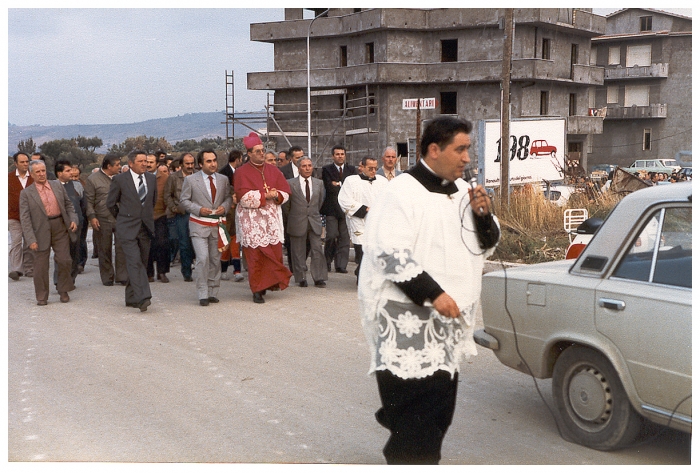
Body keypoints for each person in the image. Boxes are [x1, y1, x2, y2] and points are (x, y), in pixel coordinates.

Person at [358, 116, 500, 464]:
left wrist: (483, 215)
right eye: (461, 149)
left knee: (438, 417)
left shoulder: (464, 192)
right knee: (412, 424)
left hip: (447, 325)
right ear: (434, 150)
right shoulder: (401, 191)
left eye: (469, 149)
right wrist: (435, 294)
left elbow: (485, 245)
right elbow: (389, 252)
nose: (467, 158)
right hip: (408, 323)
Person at [234, 132, 292, 303]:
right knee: (256, 256)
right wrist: (264, 195)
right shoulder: (240, 172)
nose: (261, 153)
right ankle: (257, 289)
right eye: (257, 151)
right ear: (249, 154)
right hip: (252, 221)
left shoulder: (274, 170)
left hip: (272, 220)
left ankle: (269, 283)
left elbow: (286, 192)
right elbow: (243, 197)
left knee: (273, 253)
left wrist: (277, 195)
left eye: (262, 150)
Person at [19, 160, 78, 305]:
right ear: (32, 174)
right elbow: (25, 219)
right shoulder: (26, 193)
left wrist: (73, 219)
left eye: (43, 171)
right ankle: (41, 296)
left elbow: (68, 205)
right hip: (39, 230)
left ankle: (63, 290)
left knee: (65, 260)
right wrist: (30, 239)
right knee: (40, 266)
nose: (41, 174)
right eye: (37, 172)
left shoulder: (57, 185)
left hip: (60, 226)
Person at [106, 149, 157, 312]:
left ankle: (130, 297)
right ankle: (143, 297)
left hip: (145, 227)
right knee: (134, 261)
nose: (145, 164)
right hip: (127, 228)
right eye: (141, 161)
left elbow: (152, 201)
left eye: (146, 161)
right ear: (131, 163)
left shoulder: (151, 178)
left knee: (140, 262)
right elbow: (110, 203)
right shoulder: (120, 180)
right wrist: (123, 217)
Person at [180, 149, 232, 306]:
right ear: (200, 164)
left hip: (217, 225)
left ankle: (213, 290)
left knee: (215, 259)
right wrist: (198, 209)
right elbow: (184, 200)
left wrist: (225, 206)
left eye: (214, 160)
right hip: (199, 224)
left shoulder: (223, 179)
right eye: (208, 161)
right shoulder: (191, 180)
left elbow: (229, 197)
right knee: (203, 258)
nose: (213, 164)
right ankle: (202, 292)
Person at [338, 156, 388, 281]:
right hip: (359, 221)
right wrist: (364, 209)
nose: (373, 171)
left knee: (375, 250)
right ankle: (362, 277)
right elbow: (344, 200)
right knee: (362, 250)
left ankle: (364, 273)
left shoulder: (382, 181)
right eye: (370, 168)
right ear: (362, 167)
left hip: (376, 222)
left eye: (375, 168)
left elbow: (388, 199)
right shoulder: (351, 181)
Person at [284, 156, 327, 288]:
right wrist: (294, 216)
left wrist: (312, 214)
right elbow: (286, 206)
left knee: (317, 250)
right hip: (297, 220)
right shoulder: (290, 183)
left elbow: (320, 202)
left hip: (314, 220)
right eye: (304, 166)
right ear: (298, 168)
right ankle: (301, 277)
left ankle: (319, 277)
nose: (307, 168)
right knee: (298, 251)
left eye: (309, 165)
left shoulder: (319, 183)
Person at [85, 154, 127, 286]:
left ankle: (122, 276)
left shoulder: (121, 178)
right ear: (109, 166)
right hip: (102, 219)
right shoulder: (93, 179)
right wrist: (92, 217)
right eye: (117, 165)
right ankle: (107, 276)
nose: (120, 167)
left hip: (121, 218)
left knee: (122, 248)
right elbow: (89, 201)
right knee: (104, 249)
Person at [320, 145, 356, 273]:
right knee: (331, 236)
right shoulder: (326, 170)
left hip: (346, 210)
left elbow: (352, 188)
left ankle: (341, 265)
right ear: (332, 156)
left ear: (345, 155)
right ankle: (327, 261)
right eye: (337, 154)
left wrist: (338, 184)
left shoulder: (352, 170)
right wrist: (342, 184)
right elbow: (330, 188)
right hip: (331, 209)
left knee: (344, 239)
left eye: (342, 154)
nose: (340, 156)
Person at [163, 152, 196, 282]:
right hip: (182, 214)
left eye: (192, 163)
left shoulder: (199, 176)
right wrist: (174, 208)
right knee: (184, 243)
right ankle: (186, 271)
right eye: (187, 164)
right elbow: (167, 195)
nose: (190, 166)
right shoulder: (173, 178)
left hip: (198, 212)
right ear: (181, 164)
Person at [54, 160, 86, 284]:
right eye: (67, 171)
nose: (70, 173)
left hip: (76, 224)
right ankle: (59, 280)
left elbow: (83, 204)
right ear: (59, 173)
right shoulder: (52, 186)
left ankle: (71, 279)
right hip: (59, 225)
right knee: (61, 254)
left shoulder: (77, 186)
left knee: (74, 252)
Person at [219, 149, 244, 282]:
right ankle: (224, 270)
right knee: (226, 242)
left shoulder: (240, 173)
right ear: (238, 159)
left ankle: (236, 270)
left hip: (237, 212)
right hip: (227, 213)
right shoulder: (224, 173)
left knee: (235, 242)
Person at [9, 151, 34, 281]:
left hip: (31, 216)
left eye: (27, 162)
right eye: (22, 162)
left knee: (29, 241)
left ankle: (29, 268)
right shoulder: (8, 178)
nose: (25, 164)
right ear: (15, 164)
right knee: (16, 241)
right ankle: (16, 269)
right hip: (13, 216)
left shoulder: (34, 177)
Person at [279, 145, 305, 272]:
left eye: (302, 156)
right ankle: (293, 266)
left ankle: (301, 262)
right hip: (289, 209)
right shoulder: (283, 171)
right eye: (298, 157)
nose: (301, 160)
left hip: (304, 210)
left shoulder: (308, 168)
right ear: (290, 158)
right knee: (290, 240)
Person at [146, 159, 171, 283]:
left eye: (151, 162)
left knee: (162, 244)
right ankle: (148, 273)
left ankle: (162, 272)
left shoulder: (165, 178)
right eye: (147, 162)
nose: (149, 164)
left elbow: (168, 195)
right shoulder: (141, 177)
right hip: (144, 216)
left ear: (157, 164)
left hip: (161, 215)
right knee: (147, 245)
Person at [70, 166, 89, 272]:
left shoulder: (82, 186)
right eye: (71, 176)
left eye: (76, 176)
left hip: (82, 217)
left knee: (81, 240)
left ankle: (81, 262)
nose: (73, 178)